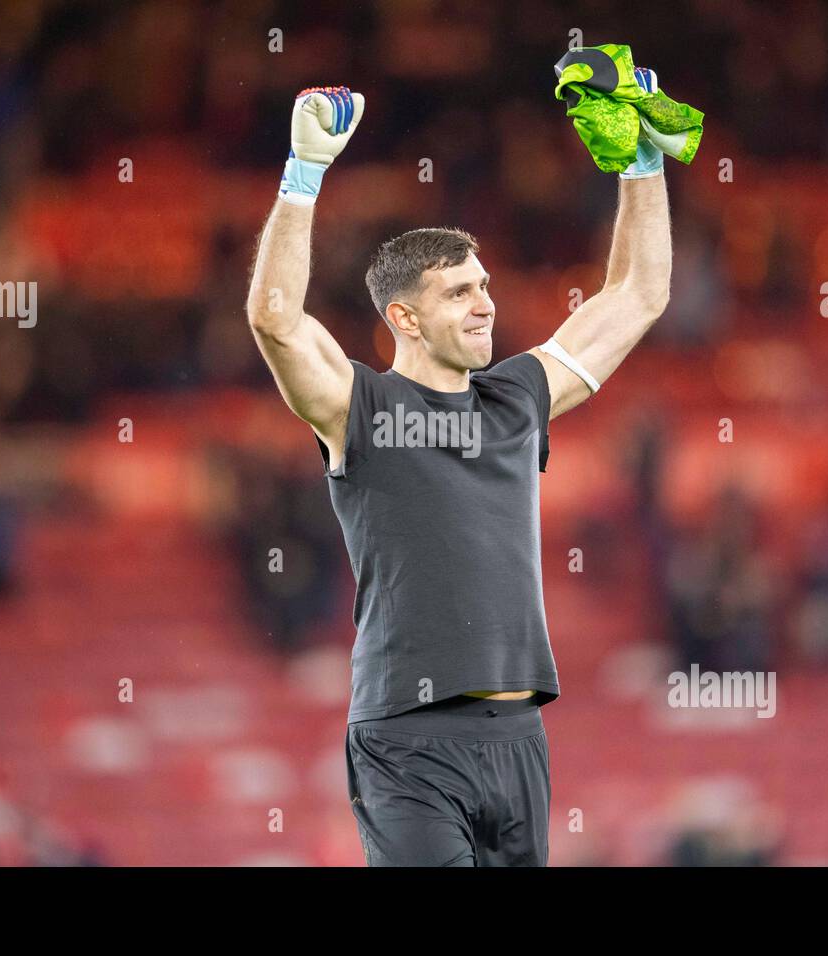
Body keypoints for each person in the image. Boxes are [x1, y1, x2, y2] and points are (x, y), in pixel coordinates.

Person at [246, 73, 674, 866]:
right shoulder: (360, 407)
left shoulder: (517, 396)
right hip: (407, 742)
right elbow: (275, 321)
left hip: (520, 738)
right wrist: (303, 175)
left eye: (485, 286)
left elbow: (640, 293)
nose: (485, 304)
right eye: (459, 293)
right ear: (403, 317)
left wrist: (642, 162)